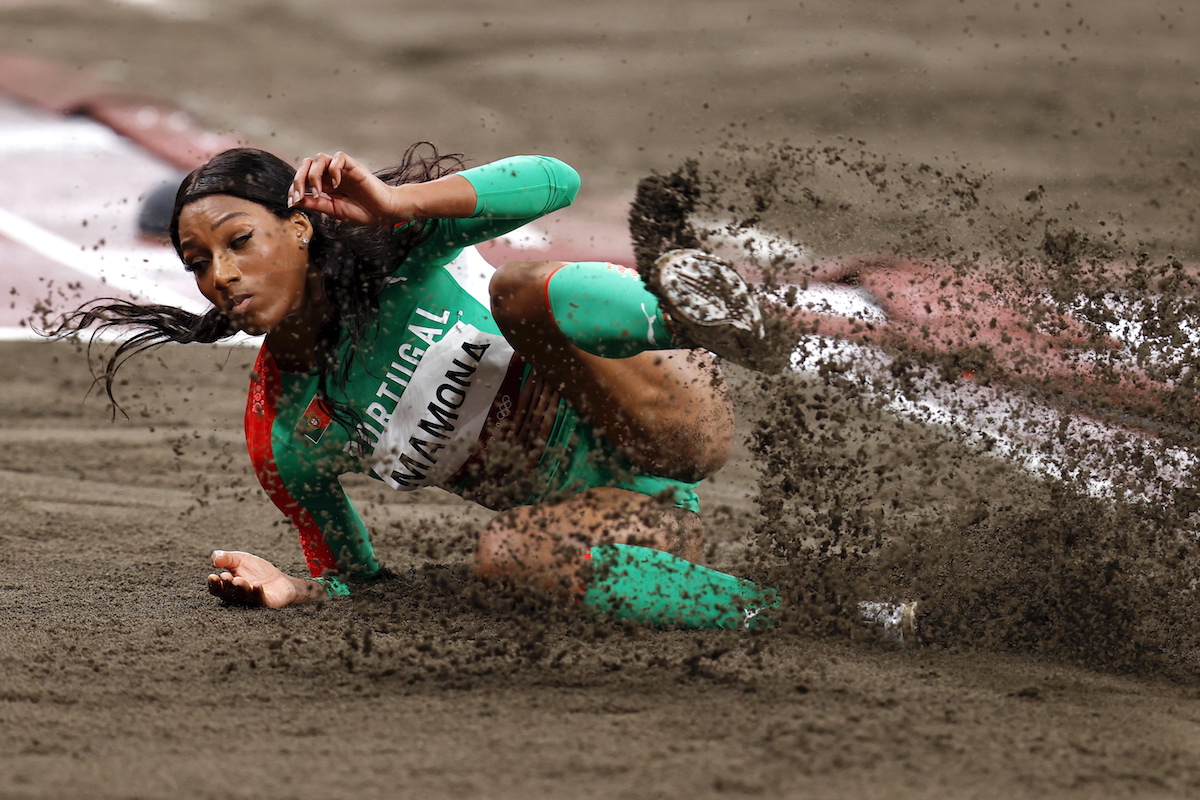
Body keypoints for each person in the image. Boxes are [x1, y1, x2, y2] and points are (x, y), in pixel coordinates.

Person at [55, 144, 792, 631]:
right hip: (627, 520)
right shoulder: (286, 428)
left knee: (521, 288)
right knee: (506, 553)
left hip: (666, 418)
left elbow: (558, 180)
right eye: (197, 262)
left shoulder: (402, 250)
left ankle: (694, 317)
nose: (221, 275)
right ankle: (796, 614)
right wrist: (293, 588)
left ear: (301, 228)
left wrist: (401, 203)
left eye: (239, 241)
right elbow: (354, 581)